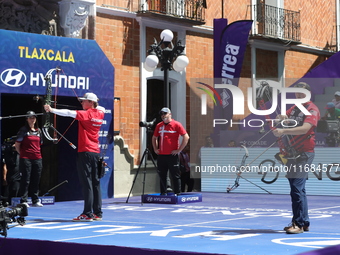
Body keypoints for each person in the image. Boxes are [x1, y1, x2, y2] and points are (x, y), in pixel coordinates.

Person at [44, 92, 105, 222]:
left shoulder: (86, 114)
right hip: (95, 152)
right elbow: (101, 108)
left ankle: (88, 213)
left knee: (87, 183)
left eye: (84, 101)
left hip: (86, 152)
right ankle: (98, 213)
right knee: (95, 183)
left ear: (91, 102)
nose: (81, 103)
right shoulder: (100, 113)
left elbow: (67, 113)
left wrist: (51, 109)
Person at [273, 82, 320, 234]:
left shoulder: (312, 109)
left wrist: (283, 131)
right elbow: (285, 117)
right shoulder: (295, 108)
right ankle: (304, 222)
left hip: (304, 154)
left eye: (302, 93)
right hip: (291, 154)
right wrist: (280, 118)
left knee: (296, 189)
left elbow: (305, 128)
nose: (299, 95)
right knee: (299, 189)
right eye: (297, 93)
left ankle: (297, 224)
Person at [152, 107, 189, 195]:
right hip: (161, 155)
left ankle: (177, 193)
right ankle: (163, 193)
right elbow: (154, 137)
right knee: (162, 175)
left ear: (170, 114)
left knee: (175, 175)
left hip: (172, 155)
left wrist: (179, 150)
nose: (163, 115)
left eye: (165, 113)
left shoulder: (176, 124)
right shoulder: (159, 125)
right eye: (161, 114)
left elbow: (186, 137)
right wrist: (155, 148)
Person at [15, 111, 43, 207]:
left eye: (34, 118)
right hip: (26, 158)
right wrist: (22, 154)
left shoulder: (39, 130)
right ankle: (24, 200)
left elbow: (40, 144)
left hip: (38, 158)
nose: (32, 119)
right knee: (25, 179)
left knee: (36, 179)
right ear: (26, 119)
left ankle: (35, 200)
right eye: (30, 118)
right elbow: (17, 145)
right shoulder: (23, 130)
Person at [1, 137, 20, 205]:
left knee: (15, 191)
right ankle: (6, 202)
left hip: (18, 177)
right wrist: (4, 178)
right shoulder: (8, 155)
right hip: (10, 177)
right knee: (8, 192)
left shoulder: (19, 154)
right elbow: (5, 166)